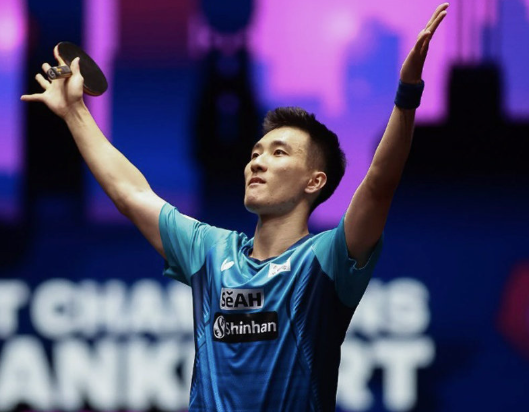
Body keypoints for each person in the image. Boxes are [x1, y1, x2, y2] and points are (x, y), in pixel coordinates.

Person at [22, 3, 448, 411]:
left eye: (278, 153)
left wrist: (407, 94)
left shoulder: (327, 260)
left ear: (314, 181)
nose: (257, 162)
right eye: (256, 153)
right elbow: (130, 192)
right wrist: (74, 112)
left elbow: (378, 183)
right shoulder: (211, 251)